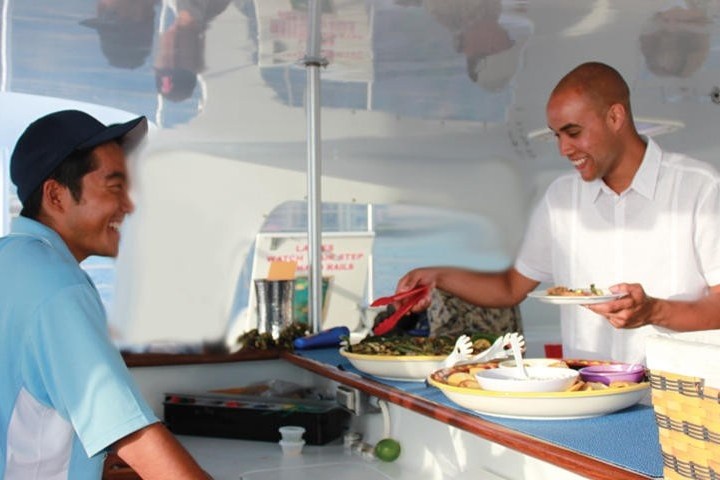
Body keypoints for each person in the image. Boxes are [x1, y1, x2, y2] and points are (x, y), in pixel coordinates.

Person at [395, 62, 720, 364]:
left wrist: (653, 311)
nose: (564, 149)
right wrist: (438, 277)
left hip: (680, 401)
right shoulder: (561, 198)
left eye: (573, 132)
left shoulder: (700, 188)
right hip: (587, 394)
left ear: (615, 117)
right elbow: (511, 287)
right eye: (557, 135)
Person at [0, 110, 211, 479]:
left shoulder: (12, 260)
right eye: (115, 187)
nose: (130, 205)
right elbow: (135, 437)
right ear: (56, 195)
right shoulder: (57, 287)